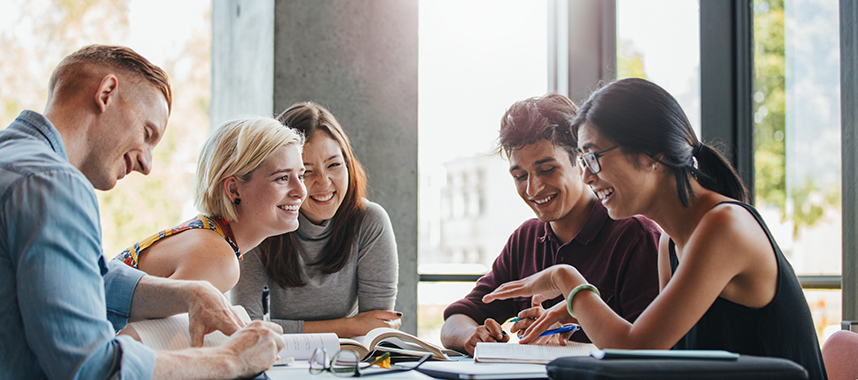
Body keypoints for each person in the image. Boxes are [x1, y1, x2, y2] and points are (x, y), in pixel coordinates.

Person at [483, 78, 827, 380]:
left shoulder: (724, 226)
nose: (587, 176)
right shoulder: (669, 243)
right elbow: (658, 360)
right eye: (584, 161)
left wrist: (567, 280)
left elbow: (634, 351)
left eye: (594, 157)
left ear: (652, 154)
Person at [0, 44, 285, 379]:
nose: (146, 165)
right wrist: (230, 361)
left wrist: (191, 292)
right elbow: (92, 368)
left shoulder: (14, 160)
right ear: (106, 93)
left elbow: (84, 278)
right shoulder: (54, 184)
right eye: (147, 133)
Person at [439, 93, 661, 356]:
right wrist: (472, 336)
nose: (533, 188)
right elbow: (457, 318)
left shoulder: (636, 236)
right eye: (520, 176)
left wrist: (572, 327)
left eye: (546, 170)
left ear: (581, 162)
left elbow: (648, 350)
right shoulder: (526, 239)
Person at [232, 102, 400, 337]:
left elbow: (376, 326)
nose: (324, 182)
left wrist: (358, 328)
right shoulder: (259, 222)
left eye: (334, 165)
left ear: (349, 164)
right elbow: (247, 327)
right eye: (306, 172)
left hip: (346, 361)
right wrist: (349, 325)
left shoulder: (369, 221)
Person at [114, 116, 307, 293]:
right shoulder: (218, 259)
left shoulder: (209, 236)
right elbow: (135, 331)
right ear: (233, 189)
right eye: (282, 178)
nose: (301, 191)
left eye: (301, 176)